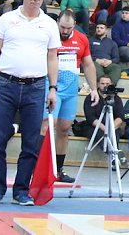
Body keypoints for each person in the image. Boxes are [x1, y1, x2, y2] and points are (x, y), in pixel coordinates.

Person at [0, 0, 60, 205]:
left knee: (30, 142)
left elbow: (52, 57)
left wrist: (53, 88)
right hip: (5, 84)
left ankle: (21, 190)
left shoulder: (49, 24)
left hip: (35, 87)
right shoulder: (7, 19)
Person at [44, 10, 99, 182]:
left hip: (70, 89)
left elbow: (88, 65)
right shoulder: (50, 37)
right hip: (51, 86)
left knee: (64, 128)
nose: (65, 31)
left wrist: (94, 88)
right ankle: (39, 167)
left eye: (69, 28)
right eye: (62, 27)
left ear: (74, 25)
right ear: (57, 23)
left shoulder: (82, 39)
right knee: (47, 126)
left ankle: (59, 170)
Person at [83, 75, 126, 154]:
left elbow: (120, 116)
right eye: (102, 83)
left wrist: (111, 129)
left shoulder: (116, 98)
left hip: (112, 127)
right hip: (95, 127)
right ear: (98, 84)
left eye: (107, 83)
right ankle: (115, 155)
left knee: (115, 134)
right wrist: (105, 129)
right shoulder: (91, 98)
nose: (105, 86)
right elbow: (90, 118)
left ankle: (115, 156)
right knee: (98, 133)